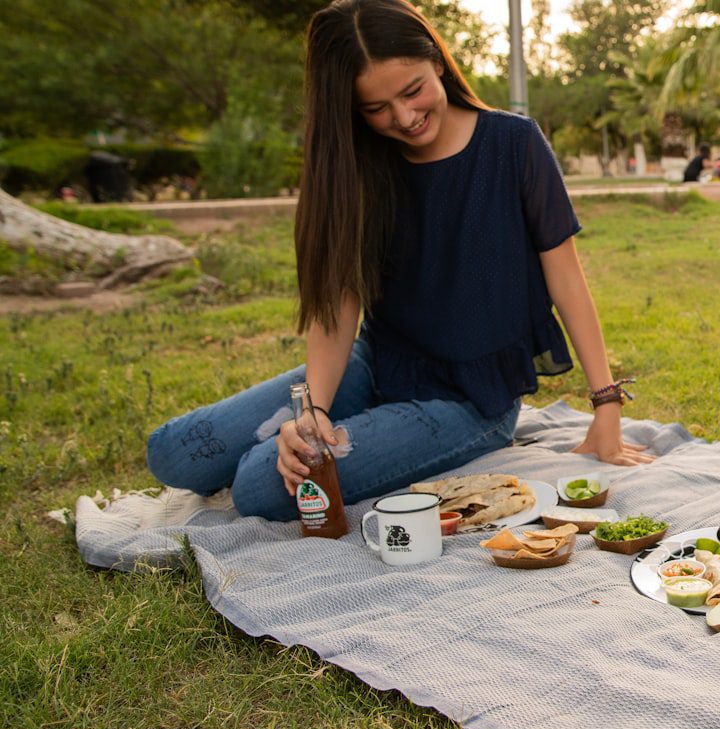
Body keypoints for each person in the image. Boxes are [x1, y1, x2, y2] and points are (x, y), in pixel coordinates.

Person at [146, 0, 653, 524]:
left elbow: (566, 278)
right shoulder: (357, 165)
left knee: (258, 486)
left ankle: (349, 439)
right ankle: (351, 425)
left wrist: (606, 407)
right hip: (377, 365)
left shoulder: (514, 144)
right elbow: (339, 300)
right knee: (173, 453)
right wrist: (314, 411)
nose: (404, 118)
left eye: (412, 91)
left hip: (470, 401)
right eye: (376, 108)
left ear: (436, 60)